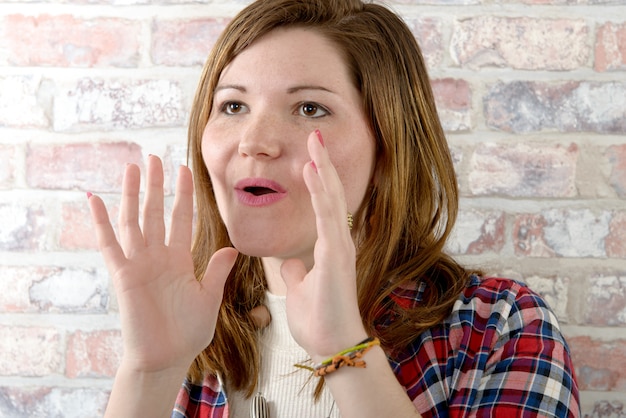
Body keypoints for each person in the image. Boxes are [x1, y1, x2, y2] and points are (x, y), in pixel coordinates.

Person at [87, 0, 581, 416]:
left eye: (309, 109)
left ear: (388, 145)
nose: (254, 142)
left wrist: (346, 351)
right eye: (233, 106)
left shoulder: (497, 326)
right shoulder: (190, 330)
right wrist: (149, 373)